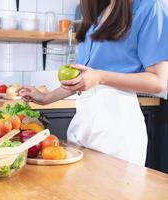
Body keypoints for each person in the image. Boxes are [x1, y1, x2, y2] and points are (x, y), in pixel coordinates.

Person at [19, 0, 168, 166]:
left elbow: (159, 81)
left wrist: (100, 77)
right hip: (83, 123)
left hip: (117, 128)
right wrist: (46, 98)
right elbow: (84, 77)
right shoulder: (97, 14)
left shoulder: (149, 7)